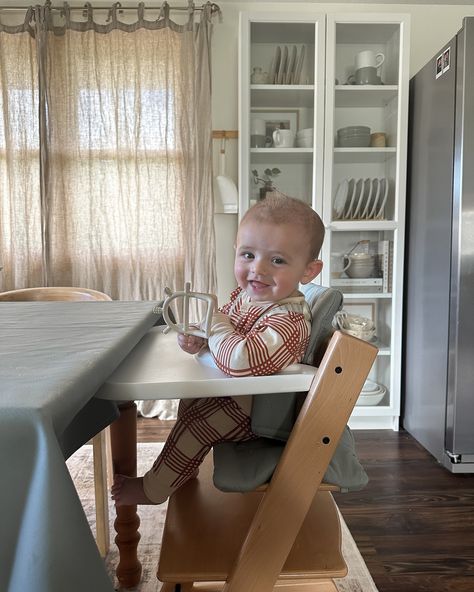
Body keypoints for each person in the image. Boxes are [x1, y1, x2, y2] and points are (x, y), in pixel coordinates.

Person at [111, 194, 325, 506]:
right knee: (190, 405)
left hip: (263, 413)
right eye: (248, 255)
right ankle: (182, 470)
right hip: (239, 397)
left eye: (277, 260)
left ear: (309, 271)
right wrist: (199, 336)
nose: (258, 270)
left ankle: (153, 489)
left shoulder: (289, 320)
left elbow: (239, 359)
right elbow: (220, 330)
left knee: (197, 424)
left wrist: (216, 323)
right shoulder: (248, 298)